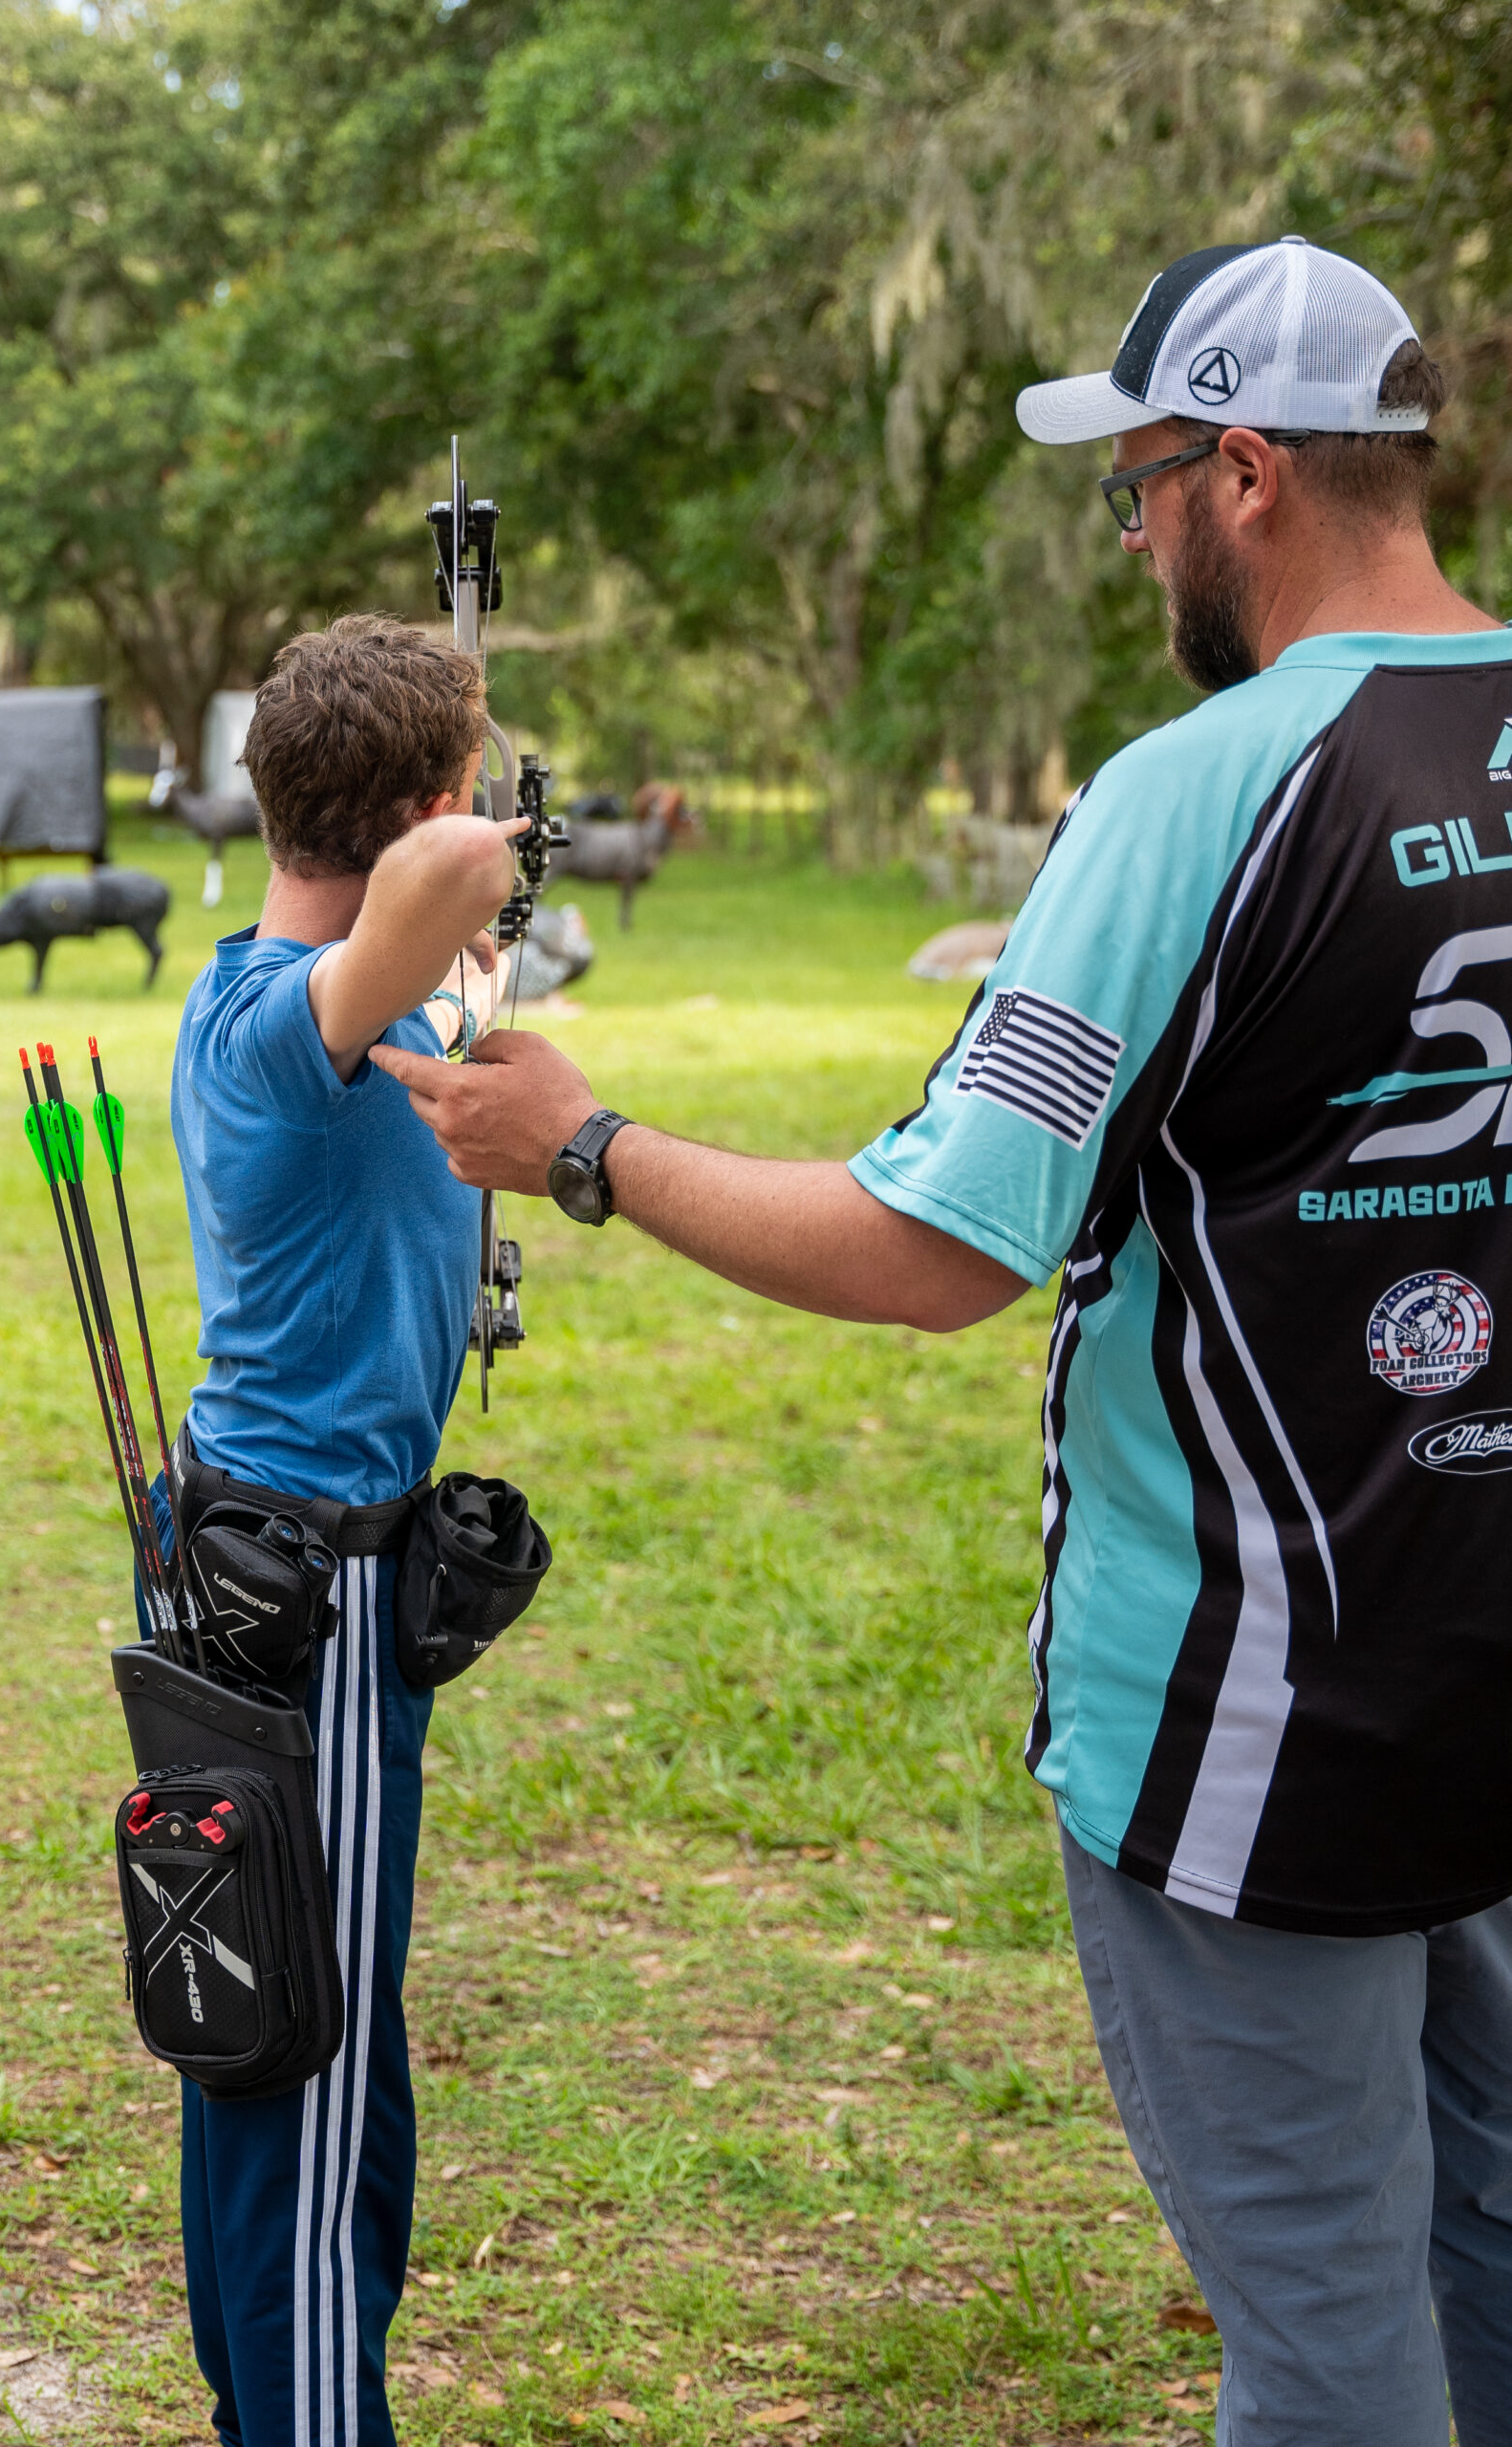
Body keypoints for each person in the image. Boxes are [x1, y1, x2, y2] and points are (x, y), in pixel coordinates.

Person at [372, 241, 1512, 2446]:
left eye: (1137, 484)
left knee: (1330, 2363)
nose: (1128, 535)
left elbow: (936, 1240)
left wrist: (582, 1145)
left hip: (1261, 1723)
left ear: (1246, 474)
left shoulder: (1196, 792)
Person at [157, 614, 524, 2447]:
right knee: (306, 2064)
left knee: (279, 2025)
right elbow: (445, 881)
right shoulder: (277, 1030)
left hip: (268, 1565)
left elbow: (429, 935)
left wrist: (471, 960)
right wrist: (477, 826)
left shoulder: (304, 1003)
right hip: (310, 1593)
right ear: (419, 817)